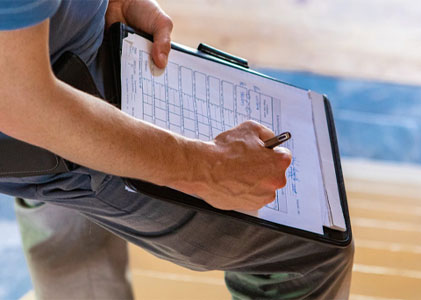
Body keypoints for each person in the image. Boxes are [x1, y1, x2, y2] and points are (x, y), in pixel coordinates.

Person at [0, 0, 354, 299]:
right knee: (307, 253)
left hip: (69, 58)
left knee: (63, 200)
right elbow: (18, 101)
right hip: (46, 106)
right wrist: (206, 169)